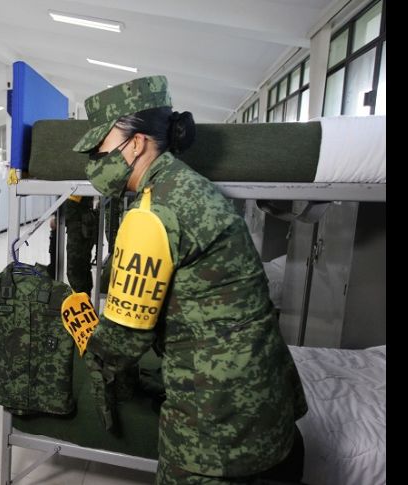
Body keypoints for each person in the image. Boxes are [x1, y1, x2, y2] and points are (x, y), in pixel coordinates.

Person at [72, 76, 308, 484]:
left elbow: (122, 341)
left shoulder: (151, 213)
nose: (95, 159)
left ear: (137, 142)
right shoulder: (192, 187)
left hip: (216, 430)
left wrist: (87, 344)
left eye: (101, 147)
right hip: (269, 404)